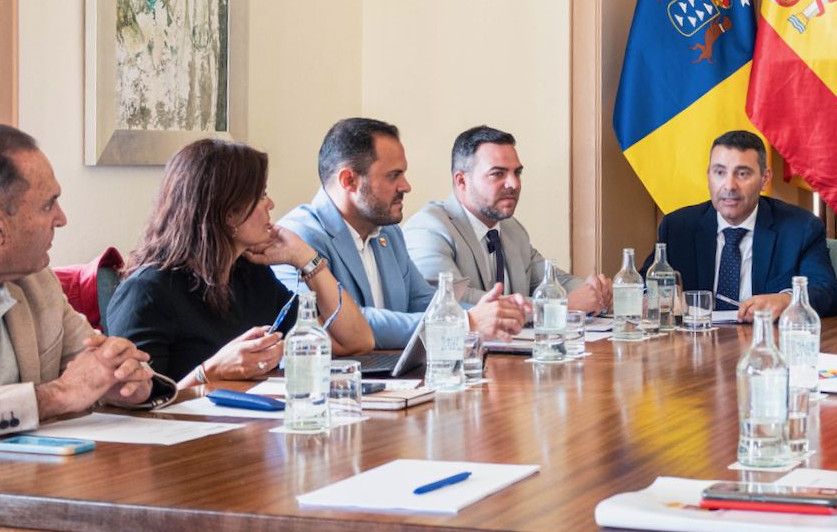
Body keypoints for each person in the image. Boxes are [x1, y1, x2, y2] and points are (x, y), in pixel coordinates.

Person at [0, 124, 171, 442]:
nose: (61, 218)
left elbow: (93, 362)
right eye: (48, 204)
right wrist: (55, 396)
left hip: (29, 481)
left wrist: (126, 383)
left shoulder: (35, 281)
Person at [106, 139, 374, 387]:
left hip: (244, 432)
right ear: (227, 213)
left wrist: (305, 259)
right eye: (260, 195)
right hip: (187, 437)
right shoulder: (148, 292)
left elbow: (353, 341)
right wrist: (209, 372)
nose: (270, 204)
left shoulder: (249, 274)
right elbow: (138, 406)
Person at [278, 118, 525, 349]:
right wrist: (466, 322)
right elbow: (341, 324)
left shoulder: (389, 233)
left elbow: (424, 302)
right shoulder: (297, 239)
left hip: (399, 382)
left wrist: (493, 315)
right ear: (349, 180)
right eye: (393, 175)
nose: (406, 186)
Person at [404, 125, 612, 312]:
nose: (513, 184)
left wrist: (595, 291)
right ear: (462, 181)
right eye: (498, 174)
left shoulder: (511, 229)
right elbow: (450, 301)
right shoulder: (429, 229)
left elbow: (553, 281)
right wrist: (559, 307)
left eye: (517, 173)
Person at [647, 130, 837, 320]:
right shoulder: (678, 228)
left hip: (765, 345)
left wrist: (786, 300)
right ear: (708, 176)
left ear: (764, 179)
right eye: (720, 173)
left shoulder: (800, 228)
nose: (729, 185)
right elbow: (646, 286)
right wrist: (622, 293)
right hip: (693, 346)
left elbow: (828, 293)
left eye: (742, 174)